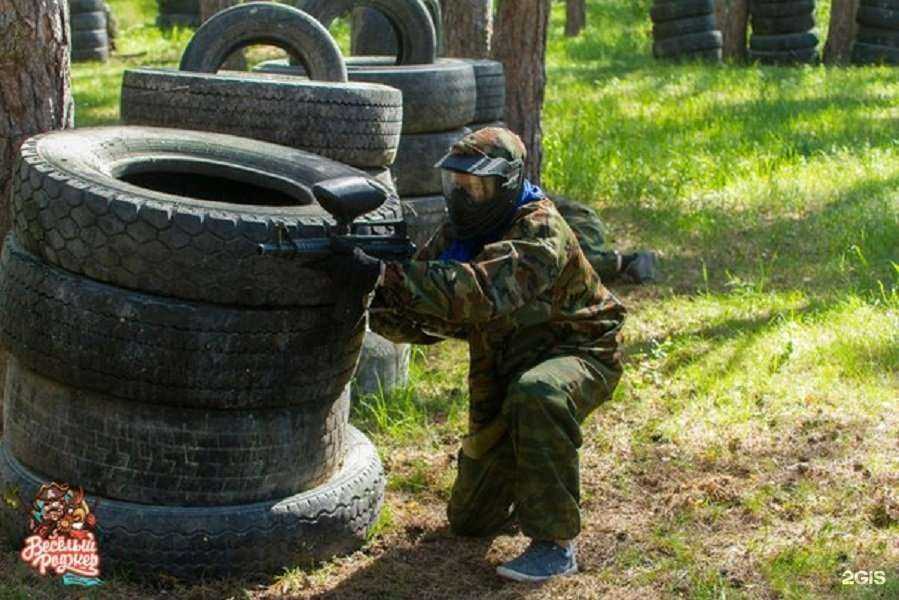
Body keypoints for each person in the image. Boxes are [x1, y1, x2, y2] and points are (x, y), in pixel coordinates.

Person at [318, 128, 626, 582]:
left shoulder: (541, 230)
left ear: (506, 184)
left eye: (476, 186)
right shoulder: (461, 232)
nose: (464, 196)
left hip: (579, 349)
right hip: (501, 359)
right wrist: (366, 293)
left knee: (539, 394)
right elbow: (430, 318)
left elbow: (481, 293)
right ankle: (529, 482)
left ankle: (555, 545)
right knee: (470, 521)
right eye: (457, 184)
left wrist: (388, 275)